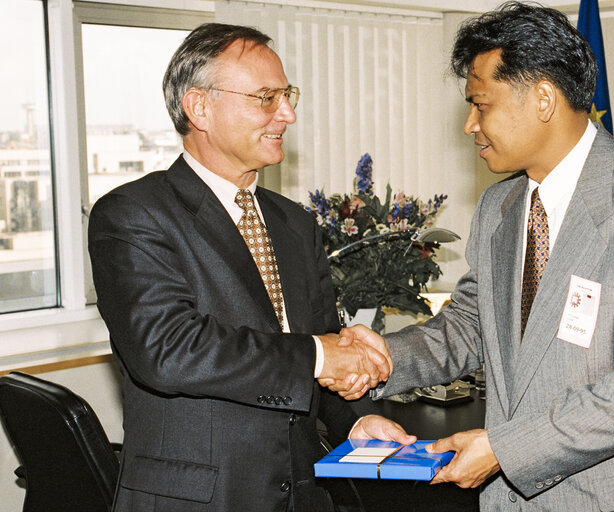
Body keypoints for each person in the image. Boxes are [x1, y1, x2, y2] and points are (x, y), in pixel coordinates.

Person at [329, 2, 614, 510]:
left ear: (542, 98)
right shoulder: (500, 206)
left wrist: (505, 449)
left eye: (481, 104)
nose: (470, 124)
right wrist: (382, 359)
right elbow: (471, 324)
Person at [88, 23, 412, 512]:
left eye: (287, 95)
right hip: (196, 501)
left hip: (303, 494)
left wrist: (355, 422)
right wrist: (321, 357)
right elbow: (168, 349)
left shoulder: (295, 223)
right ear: (199, 107)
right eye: (266, 97)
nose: (289, 114)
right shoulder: (133, 214)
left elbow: (322, 343)